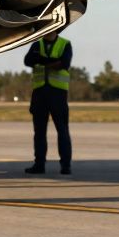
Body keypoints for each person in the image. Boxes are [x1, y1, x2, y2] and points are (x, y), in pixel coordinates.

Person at [22, 30, 73, 175]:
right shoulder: (36, 45)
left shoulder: (64, 44)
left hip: (57, 93)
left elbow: (64, 63)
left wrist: (41, 60)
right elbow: (27, 61)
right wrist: (51, 62)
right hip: (39, 93)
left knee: (62, 130)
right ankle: (39, 165)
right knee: (39, 132)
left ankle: (65, 165)